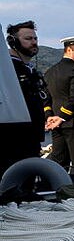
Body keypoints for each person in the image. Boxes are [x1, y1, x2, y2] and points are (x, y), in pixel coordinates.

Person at [2, 20, 61, 177]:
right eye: (28, 39)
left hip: (31, 137)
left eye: (35, 38)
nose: (34, 42)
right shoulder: (8, 69)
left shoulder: (29, 70)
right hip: (13, 139)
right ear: (13, 41)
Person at [43, 35, 74, 174]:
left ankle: (58, 190)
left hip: (56, 126)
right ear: (69, 50)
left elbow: (46, 99)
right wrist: (61, 117)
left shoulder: (50, 72)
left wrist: (50, 116)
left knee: (59, 162)